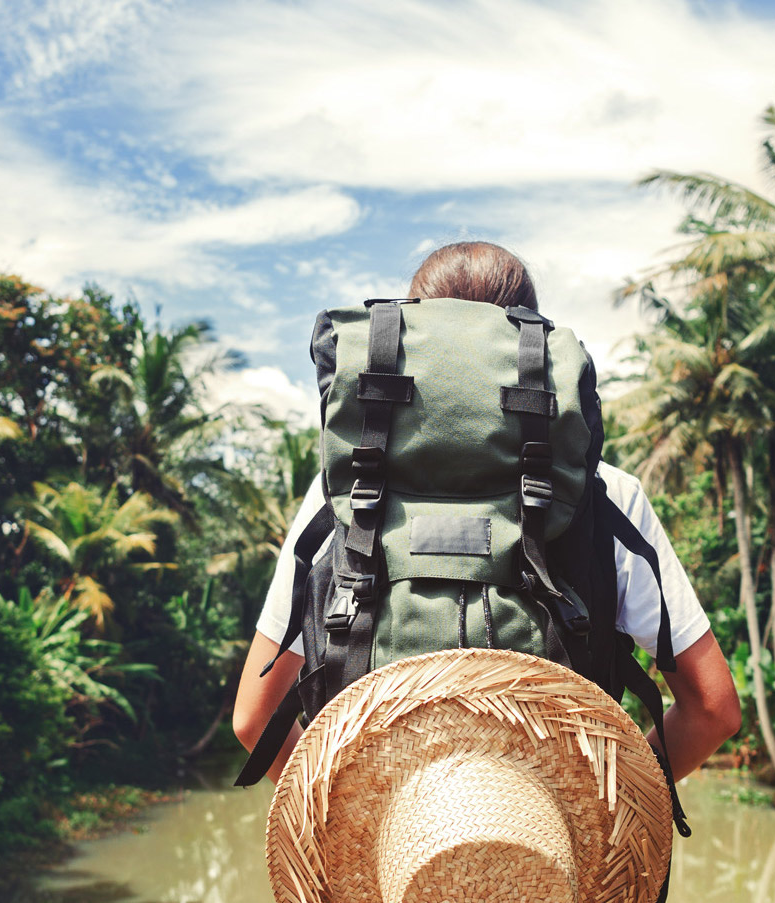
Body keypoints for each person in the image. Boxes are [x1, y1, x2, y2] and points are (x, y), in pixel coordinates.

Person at [233, 241, 742, 784]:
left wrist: (338, 819)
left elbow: (253, 718)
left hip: (383, 849)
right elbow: (713, 710)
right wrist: (614, 817)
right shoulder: (606, 492)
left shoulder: (346, 493)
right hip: (554, 845)